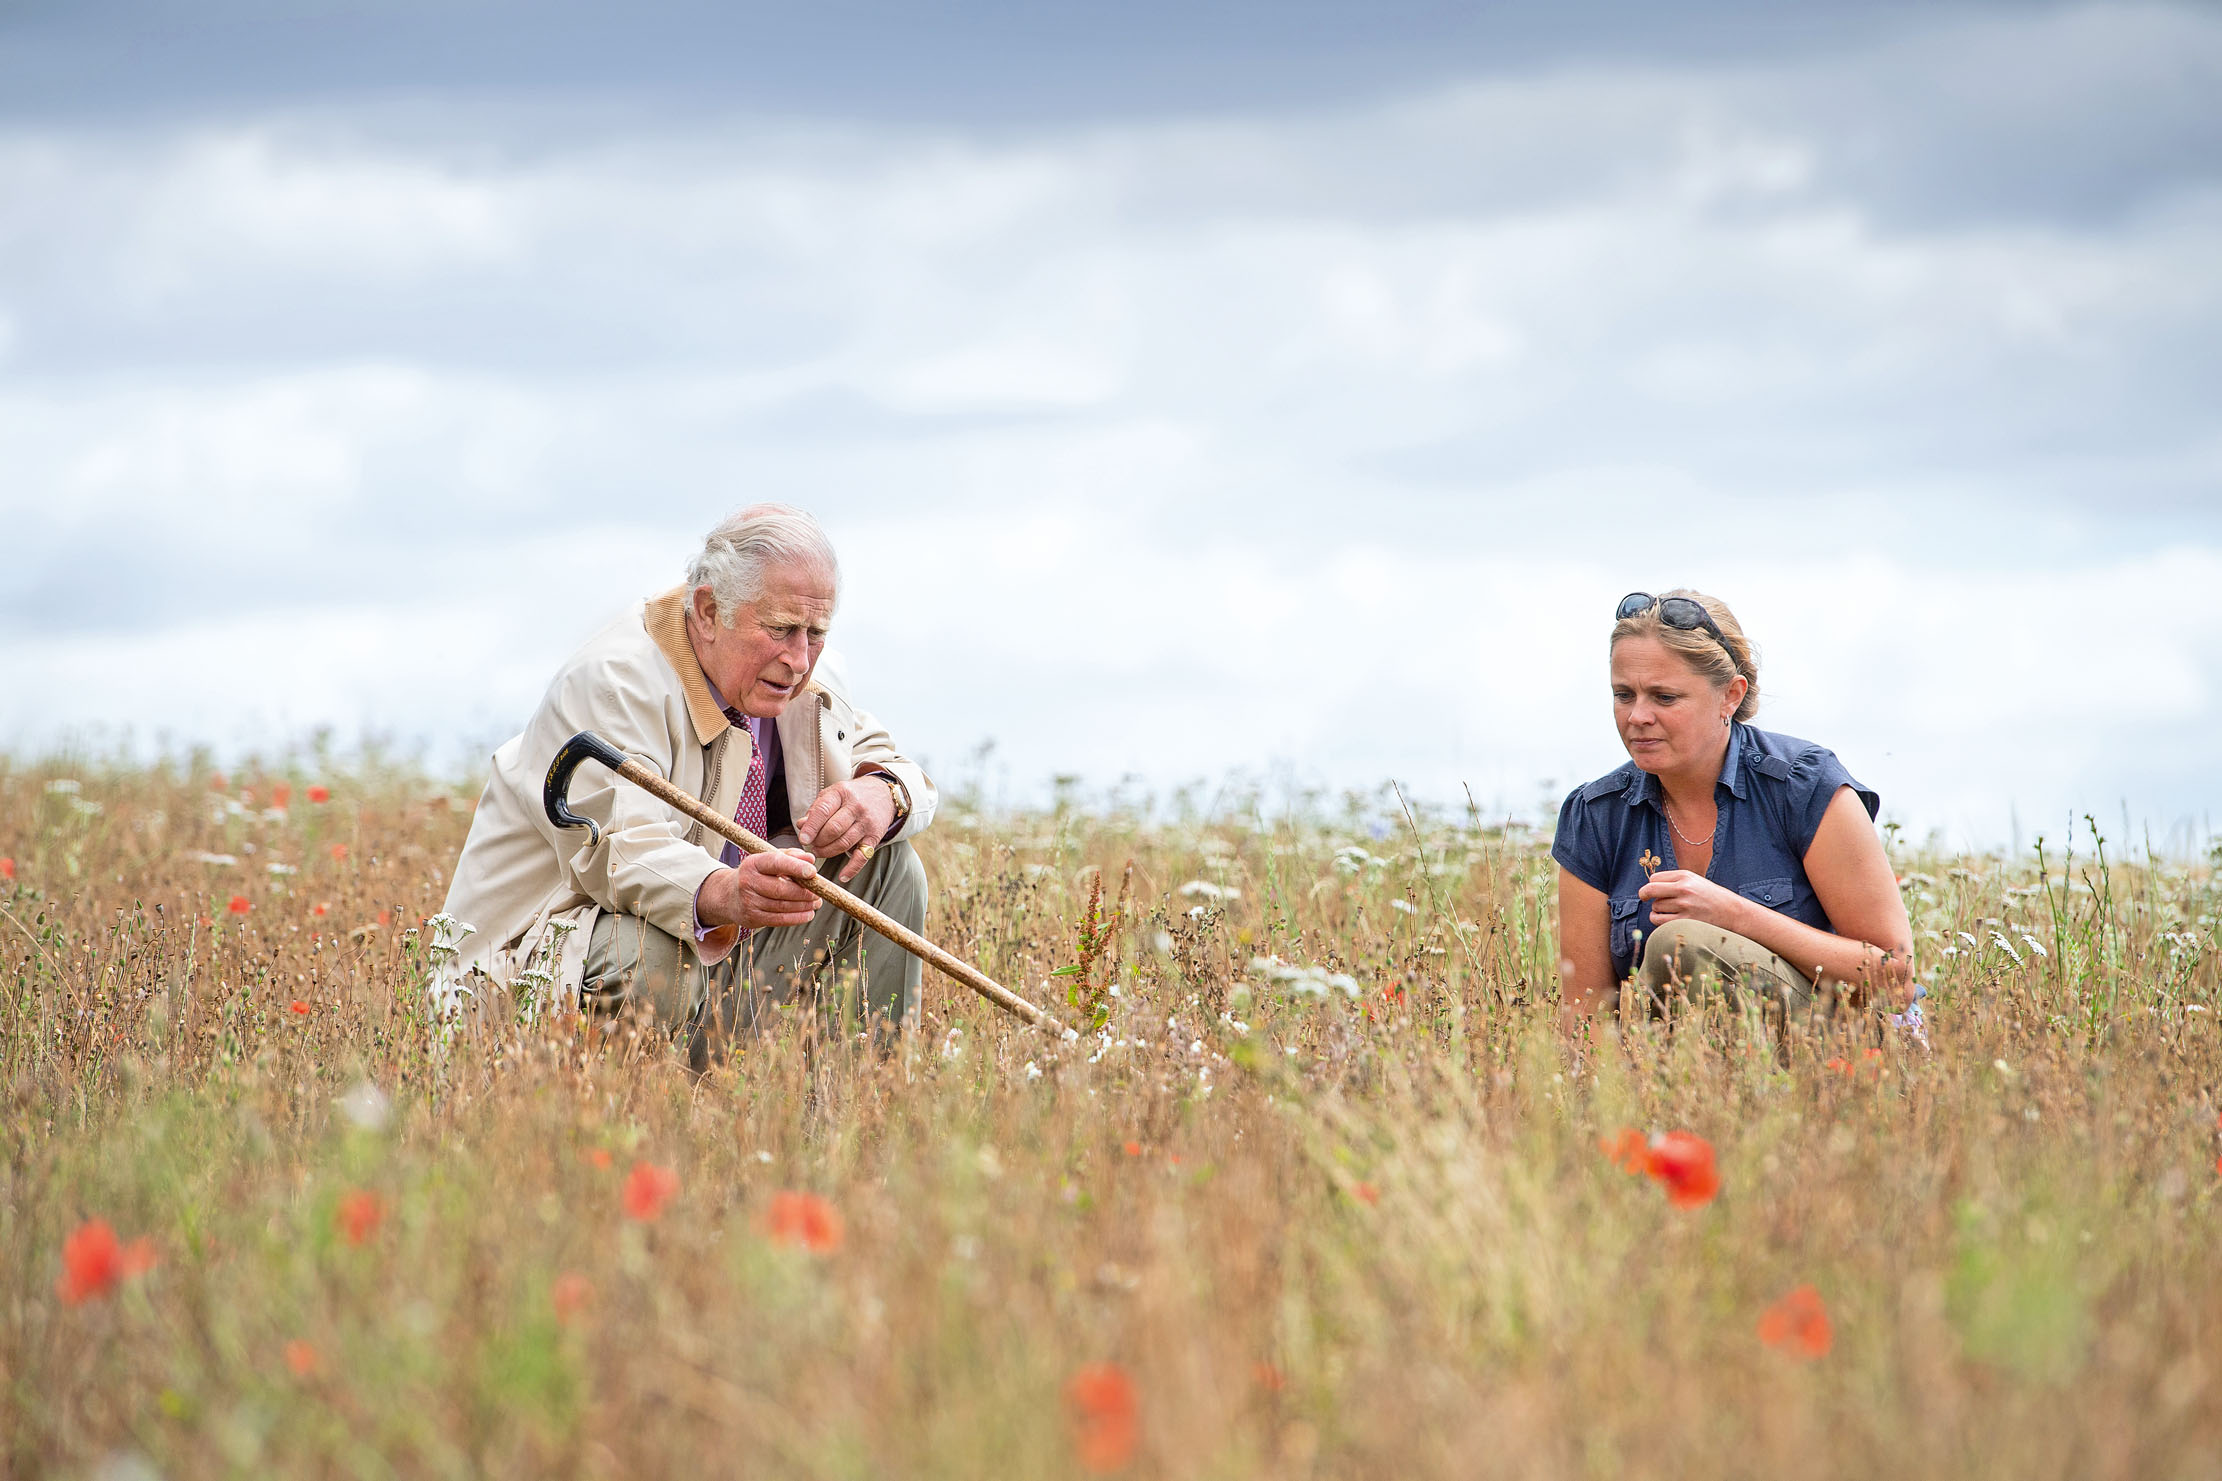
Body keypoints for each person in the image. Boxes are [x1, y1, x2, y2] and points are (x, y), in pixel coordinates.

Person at [435, 504, 936, 1062]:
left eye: (816, 632)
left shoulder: (809, 677)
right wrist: (730, 894)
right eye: (780, 630)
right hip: (527, 981)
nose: (799, 659)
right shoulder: (613, 682)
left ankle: (854, 1118)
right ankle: (621, 1138)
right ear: (707, 610)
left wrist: (883, 793)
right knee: (650, 955)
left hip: (714, 963)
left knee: (889, 866)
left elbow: (893, 767)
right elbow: (618, 855)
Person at [1552, 590, 1911, 1026]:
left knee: (1679, 943)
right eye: (1624, 695)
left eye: (1664, 697)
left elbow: (1894, 978)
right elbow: (1585, 1018)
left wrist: (1734, 915)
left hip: (1828, 1051)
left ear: (1730, 696)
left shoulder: (1805, 786)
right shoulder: (1595, 816)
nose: (1637, 716)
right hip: (1669, 1067)